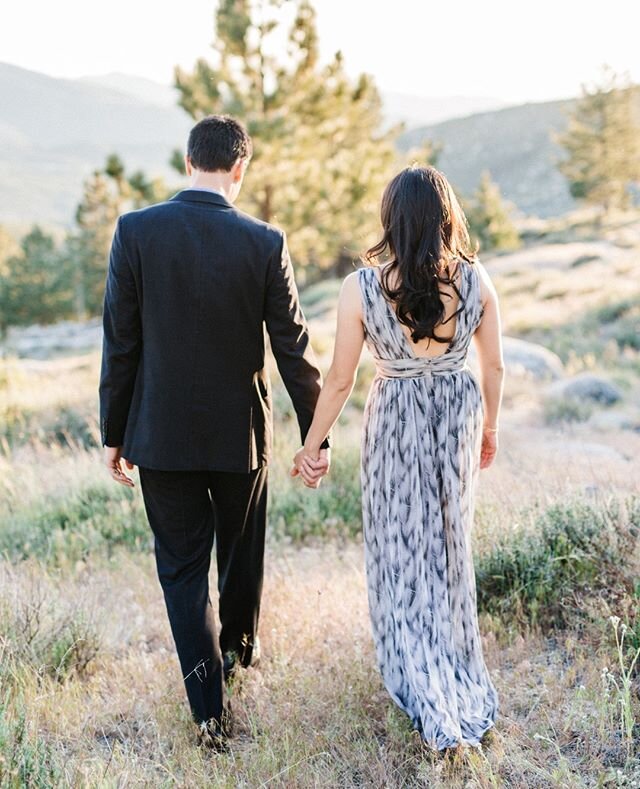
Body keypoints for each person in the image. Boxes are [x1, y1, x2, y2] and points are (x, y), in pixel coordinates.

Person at [99, 115, 330, 752]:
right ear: (240, 167)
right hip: (240, 438)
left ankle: (210, 716)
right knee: (241, 553)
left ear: (187, 159)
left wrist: (113, 435)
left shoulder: (135, 231)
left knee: (182, 572)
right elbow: (294, 350)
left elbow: (121, 344)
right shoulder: (264, 241)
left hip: (161, 439)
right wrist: (317, 440)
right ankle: (237, 655)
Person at [293, 165, 504, 750]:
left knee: (398, 547)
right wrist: (490, 427)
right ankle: (455, 668)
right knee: (447, 542)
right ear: (446, 217)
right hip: (457, 412)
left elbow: (339, 380)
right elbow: (494, 367)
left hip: (396, 416)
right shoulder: (474, 280)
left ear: (391, 219)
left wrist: (311, 447)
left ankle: (417, 671)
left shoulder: (361, 288)